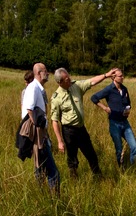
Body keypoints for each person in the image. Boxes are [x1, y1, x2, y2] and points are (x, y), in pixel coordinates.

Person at [49, 67, 119, 178]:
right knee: (72, 159)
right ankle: (74, 178)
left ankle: (98, 177)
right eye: (67, 80)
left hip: (81, 129)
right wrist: (59, 141)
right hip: (69, 131)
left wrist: (106, 75)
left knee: (91, 155)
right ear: (59, 82)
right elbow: (54, 120)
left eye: (69, 77)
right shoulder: (56, 98)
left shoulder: (76, 86)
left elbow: (92, 81)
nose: (70, 80)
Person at [20, 63, 60, 192]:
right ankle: (55, 201)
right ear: (39, 73)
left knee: (40, 166)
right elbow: (29, 110)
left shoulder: (38, 88)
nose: (48, 73)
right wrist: (40, 127)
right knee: (53, 172)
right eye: (45, 71)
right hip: (38, 134)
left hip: (41, 133)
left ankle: (41, 193)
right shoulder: (33, 88)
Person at [91, 70, 136, 169]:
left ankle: (133, 168)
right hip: (114, 124)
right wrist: (105, 108)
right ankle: (121, 168)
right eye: (120, 76)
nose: (122, 77)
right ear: (113, 77)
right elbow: (94, 98)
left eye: (123, 75)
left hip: (125, 123)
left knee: (135, 148)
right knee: (119, 149)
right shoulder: (109, 89)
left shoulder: (124, 89)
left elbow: (128, 103)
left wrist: (127, 110)